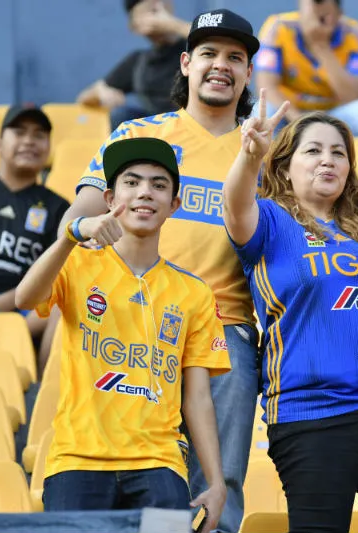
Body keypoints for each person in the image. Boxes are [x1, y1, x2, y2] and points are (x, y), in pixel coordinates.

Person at [59, 9, 358, 532]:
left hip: (225, 331)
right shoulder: (139, 134)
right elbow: (77, 219)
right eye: (209, 54)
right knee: (148, 480)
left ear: (249, 73)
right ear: (186, 63)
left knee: (219, 486)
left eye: (236, 57)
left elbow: (322, 209)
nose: (221, 66)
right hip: (133, 326)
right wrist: (85, 232)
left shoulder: (270, 148)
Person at [224, 98, 358, 532]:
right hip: (312, 411)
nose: (328, 160)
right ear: (285, 166)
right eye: (312, 150)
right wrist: (249, 155)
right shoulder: (271, 221)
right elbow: (234, 206)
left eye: (338, 152)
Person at [15, 137, 229, 532]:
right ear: (111, 196)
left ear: (175, 205)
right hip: (77, 462)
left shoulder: (194, 292)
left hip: (160, 466)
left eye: (159, 185)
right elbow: (25, 296)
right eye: (132, 182)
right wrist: (70, 234)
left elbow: (198, 396)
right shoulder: (77, 263)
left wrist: (216, 482)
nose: (145, 192)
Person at [0, 104, 69, 356]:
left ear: (49, 149)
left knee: (63, 303)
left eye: (39, 135)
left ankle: (41, 392)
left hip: (20, 310)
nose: (29, 141)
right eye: (19, 132)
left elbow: (54, 278)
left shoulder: (59, 208)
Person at [255, 0, 358, 145]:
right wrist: (300, 121)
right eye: (309, 13)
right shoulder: (277, 27)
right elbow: (267, 87)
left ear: (339, 13)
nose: (314, 22)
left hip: (335, 114)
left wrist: (320, 45)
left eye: (323, 17)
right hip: (289, 113)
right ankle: (263, 167)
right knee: (262, 111)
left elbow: (353, 97)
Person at [76, 0, 189, 129]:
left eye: (158, 9)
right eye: (150, 10)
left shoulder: (196, 48)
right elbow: (84, 97)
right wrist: (101, 91)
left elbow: (215, 37)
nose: (156, 15)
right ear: (134, 26)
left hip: (193, 125)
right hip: (158, 132)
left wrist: (173, 25)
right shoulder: (139, 61)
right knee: (121, 115)